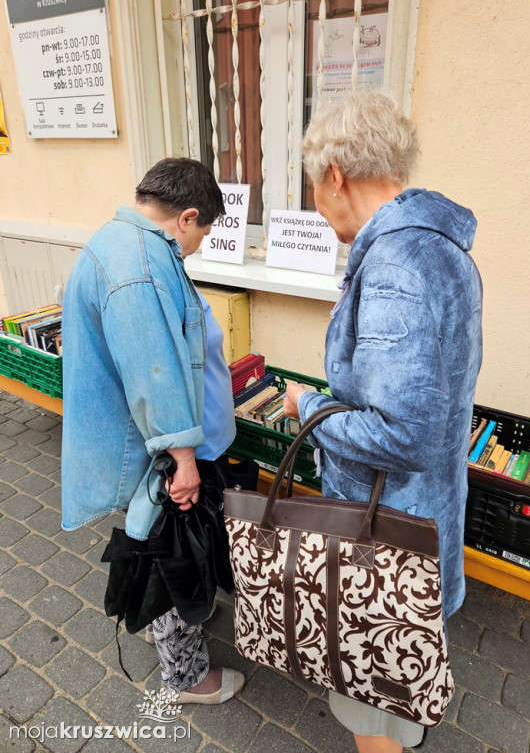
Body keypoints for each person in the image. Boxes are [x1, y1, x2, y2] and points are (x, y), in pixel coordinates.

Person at [283, 90, 483, 752]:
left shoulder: (397, 265)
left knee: (374, 707)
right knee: (397, 695)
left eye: (315, 187)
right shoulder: (439, 250)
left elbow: (404, 433)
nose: (317, 204)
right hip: (422, 522)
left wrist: (308, 408)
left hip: (385, 543)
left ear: (336, 175)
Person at [61, 157, 244, 704]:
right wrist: (183, 459)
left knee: (169, 547)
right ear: (187, 217)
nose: (199, 247)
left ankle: (177, 640)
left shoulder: (119, 240)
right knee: (171, 555)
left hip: (151, 443)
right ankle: (187, 678)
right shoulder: (140, 267)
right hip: (160, 453)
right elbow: (153, 372)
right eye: (203, 235)